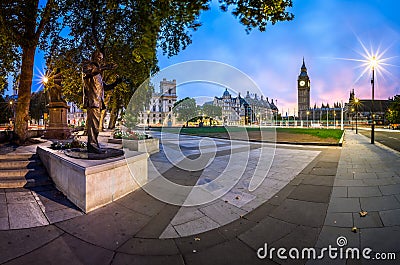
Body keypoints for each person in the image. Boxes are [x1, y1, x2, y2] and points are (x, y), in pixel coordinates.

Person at [83, 50, 121, 153]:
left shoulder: (99, 75)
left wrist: (116, 83)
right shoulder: (89, 66)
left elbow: (105, 87)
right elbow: (87, 71)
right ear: (94, 57)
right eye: (99, 57)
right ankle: (92, 146)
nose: (100, 59)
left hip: (98, 102)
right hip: (92, 101)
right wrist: (105, 68)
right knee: (93, 126)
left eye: (101, 58)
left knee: (95, 126)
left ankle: (94, 145)